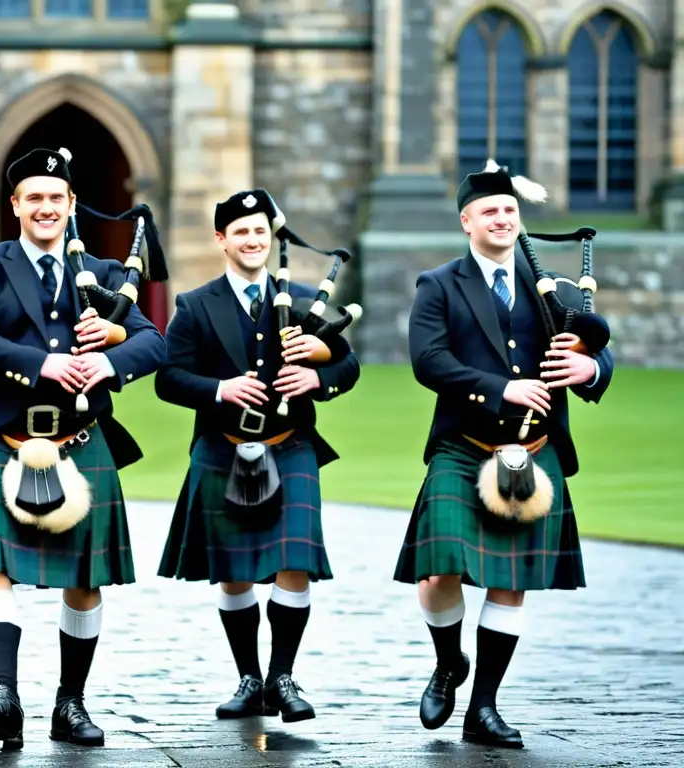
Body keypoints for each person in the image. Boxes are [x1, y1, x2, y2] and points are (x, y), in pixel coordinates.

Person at [0, 146, 166, 750]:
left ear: (71, 206)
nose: (45, 207)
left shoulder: (101, 273)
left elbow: (155, 345)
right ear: (15, 205)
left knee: (84, 577)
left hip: (80, 439)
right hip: (6, 437)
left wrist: (108, 356)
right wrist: (43, 364)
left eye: (56, 198)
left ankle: (71, 703)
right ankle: (3, 697)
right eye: (33, 198)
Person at [393, 160, 615, 748]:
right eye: (489, 210)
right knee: (438, 568)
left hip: (534, 451)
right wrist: (499, 388)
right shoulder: (439, 284)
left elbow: (597, 348)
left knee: (509, 581)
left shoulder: (554, 290)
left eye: (510, 210)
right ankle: (448, 663)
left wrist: (590, 366)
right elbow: (428, 361)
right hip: (464, 447)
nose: (502, 218)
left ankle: (484, 708)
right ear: (467, 221)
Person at [154, 188, 360, 722]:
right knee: (234, 571)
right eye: (241, 232)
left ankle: (283, 677)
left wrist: (318, 376)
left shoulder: (309, 300)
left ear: (271, 239)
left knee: (294, 563)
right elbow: (169, 380)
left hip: (290, 446)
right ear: (222, 240)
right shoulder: (196, 305)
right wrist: (220, 388)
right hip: (222, 447)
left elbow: (349, 366)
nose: (252, 240)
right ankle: (249, 678)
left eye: (260, 232)